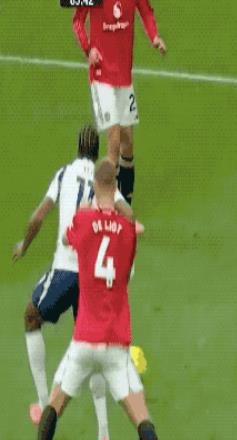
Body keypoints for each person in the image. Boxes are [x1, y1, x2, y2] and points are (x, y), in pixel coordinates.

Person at [13, 125, 132, 438]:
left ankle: (43, 402)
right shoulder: (103, 182)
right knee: (93, 346)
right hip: (93, 279)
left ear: (78, 148)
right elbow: (127, 214)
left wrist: (24, 246)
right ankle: (103, 432)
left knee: (31, 317)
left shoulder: (64, 174)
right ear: (95, 152)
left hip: (66, 270)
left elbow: (38, 217)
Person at [38, 159, 158, 440]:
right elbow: (134, 236)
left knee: (54, 405)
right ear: (116, 189)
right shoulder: (128, 231)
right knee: (141, 417)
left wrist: (87, 211)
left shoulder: (83, 221)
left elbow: (67, 240)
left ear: (94, 186)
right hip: (116, 342)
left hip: (84, 340)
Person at [73, 0, 167, 205]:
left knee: (127, 144)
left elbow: (146, 12)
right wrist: (88, 49)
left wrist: (154, 37)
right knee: (113, 139)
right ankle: (104, 204)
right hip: (101, 76)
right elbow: (78, 20)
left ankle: (125, 202)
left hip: (124, 77)